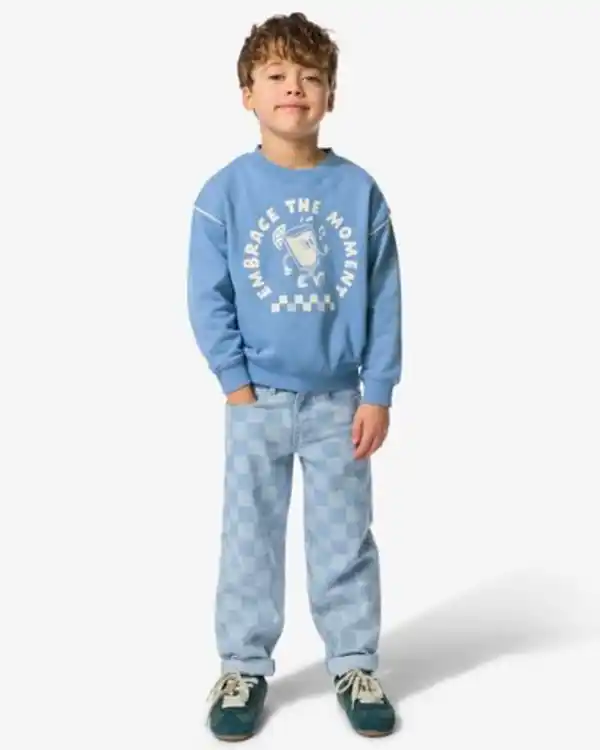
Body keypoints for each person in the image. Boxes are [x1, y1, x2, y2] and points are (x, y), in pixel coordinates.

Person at [187, 11, 402, 741]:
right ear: (246, 93)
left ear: (331, 95)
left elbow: (385, 297)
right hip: (257, 400)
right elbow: (207, 296)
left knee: (345, 539)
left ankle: (354, 661)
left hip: (341, 400)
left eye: (311, 77)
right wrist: (236, 385)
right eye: (276, 75)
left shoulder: (359, 191)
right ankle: (242, 665)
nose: (294, 88)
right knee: (249, 534)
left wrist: (378, 390)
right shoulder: (225, 193)